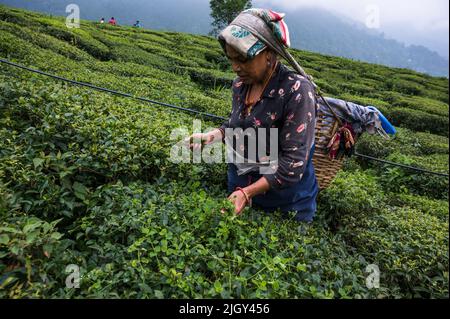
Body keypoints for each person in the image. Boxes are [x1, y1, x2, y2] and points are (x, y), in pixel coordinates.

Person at [186, 9, 319, 222]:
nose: (235, 67)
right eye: (231, 59)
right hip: (239, 189)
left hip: (284, 204)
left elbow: (293, 163)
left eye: (243, 59)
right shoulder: (240, 84)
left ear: (268, 53)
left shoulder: (297, 90)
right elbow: (238, 125)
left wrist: (248, 192)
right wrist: (211, 136)